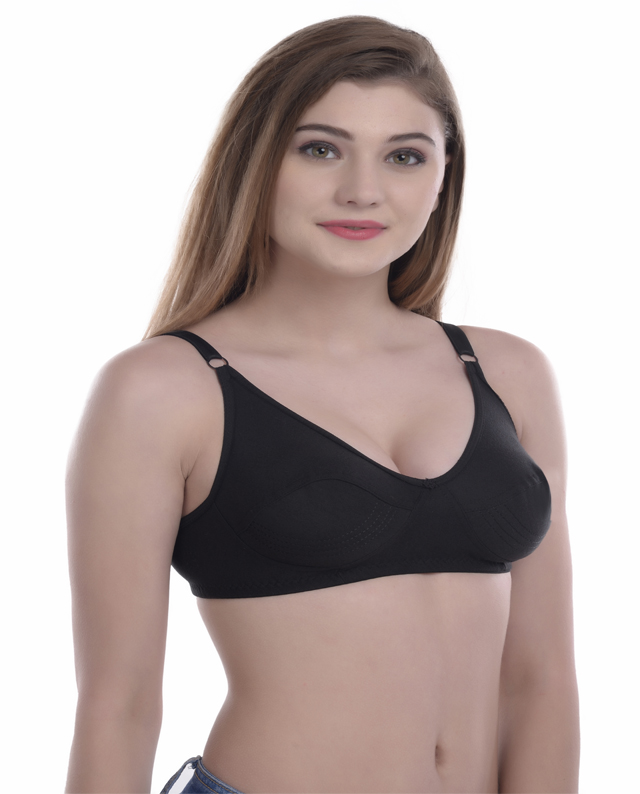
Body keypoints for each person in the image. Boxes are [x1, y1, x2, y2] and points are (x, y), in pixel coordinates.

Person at [65, 15, 579, 794]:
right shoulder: (164, 390)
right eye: (321, 149)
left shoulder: (509, 373)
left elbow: (541, 680)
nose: (362, 191)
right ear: (257, 161)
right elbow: (119, 706)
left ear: (444, 177)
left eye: (404, 156)